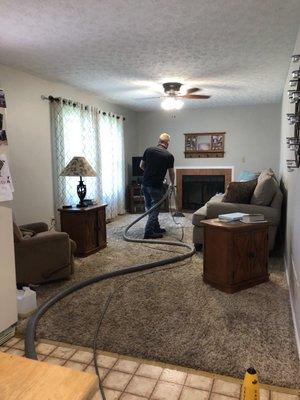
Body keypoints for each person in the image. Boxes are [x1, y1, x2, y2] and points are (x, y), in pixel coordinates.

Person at [140, 133, 175, 239]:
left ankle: (156, 227)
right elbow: (171, 173)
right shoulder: (169, 156)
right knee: (154, 209)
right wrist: (172, 184)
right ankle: (149, 232)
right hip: (155, 186)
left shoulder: (148, 150)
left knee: (150, 207)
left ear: (158, 141)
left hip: (144, 184)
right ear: (167, 143)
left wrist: (149, 173)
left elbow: (141, 166)